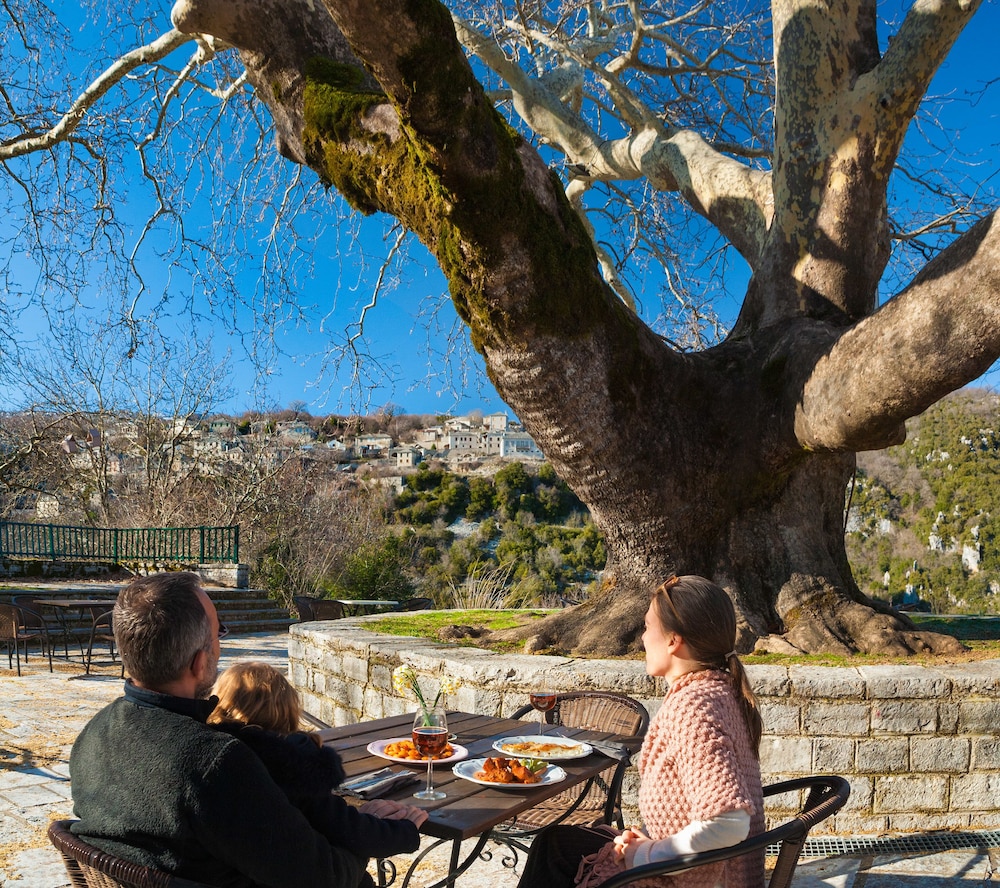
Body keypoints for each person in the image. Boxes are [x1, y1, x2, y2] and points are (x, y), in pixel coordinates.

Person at [69, 572, 368, 888]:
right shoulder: (216, 762)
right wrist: (362, 837)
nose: (220, 647)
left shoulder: (92, 735)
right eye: (218, 634)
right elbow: (323, 876)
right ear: (199, 663)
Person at [517, 575, 765, 888]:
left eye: (648, 627)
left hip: (690, 880)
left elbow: (729, 823)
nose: (643, 638)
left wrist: (645, 855)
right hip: (706, 871)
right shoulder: (722, 690)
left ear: (673, 641)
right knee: (553, 843)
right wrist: (644, 840)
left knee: (554, 854)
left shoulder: (693, 707)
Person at [207, 661, 426, 860]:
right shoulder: (293, 766)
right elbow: (348, 829)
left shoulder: (215, 749)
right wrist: (404, 831)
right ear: (287, 710)